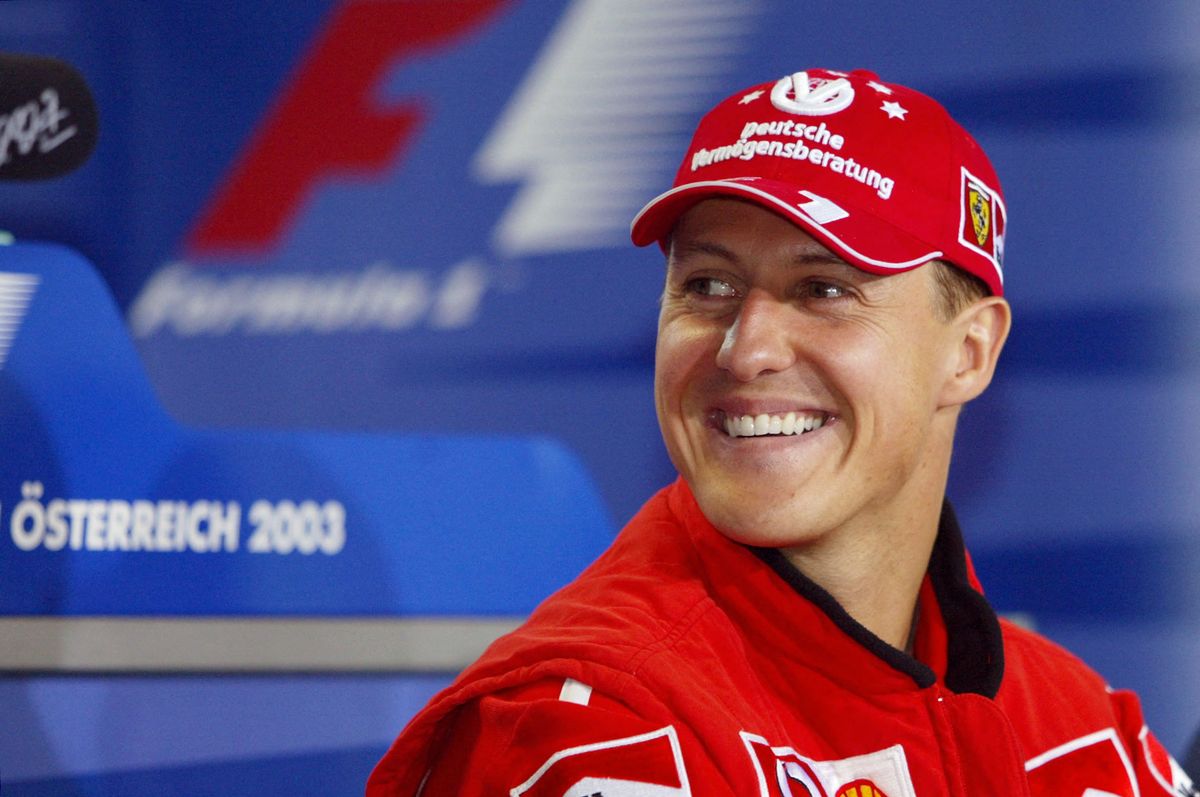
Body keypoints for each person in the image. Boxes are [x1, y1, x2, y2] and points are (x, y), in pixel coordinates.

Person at [367, 68, 1197, 796]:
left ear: (969, 352)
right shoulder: (593, 727)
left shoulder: (1080, 730)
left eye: (824, 288)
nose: (746, 347)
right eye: (708, 283)